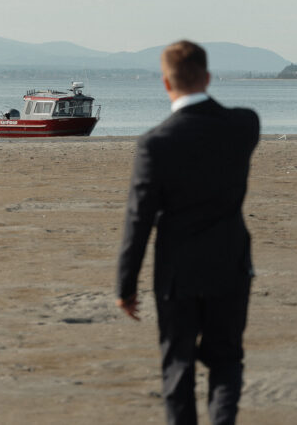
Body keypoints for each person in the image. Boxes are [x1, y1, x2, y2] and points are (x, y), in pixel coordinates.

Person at [116, 40, 259, 425]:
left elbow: (138, 220)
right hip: (230, 264)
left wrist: (126, 286)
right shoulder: (244, 125)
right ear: (208, 77)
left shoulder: (156, 144)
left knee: (177, 365)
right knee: (226, 359)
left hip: (177, 274)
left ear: (166, 83)